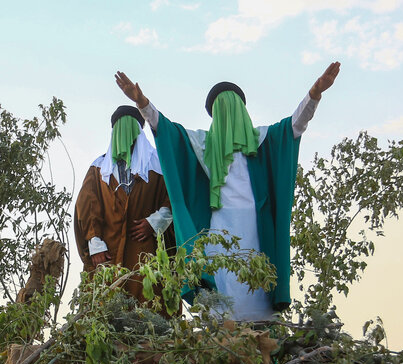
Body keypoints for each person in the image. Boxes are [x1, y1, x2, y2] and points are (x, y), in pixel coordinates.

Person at [115, 63, 340, 321]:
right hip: (219, 233)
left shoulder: (262, 139)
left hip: (256, 229)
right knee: (223, 297)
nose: (228, 113)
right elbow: (165, 129)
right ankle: (221, 344)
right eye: (220, 108)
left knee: (257, 287)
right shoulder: (202, 144)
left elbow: (295, 126)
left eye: (232, 105)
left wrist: (314, 94)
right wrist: (142, 103)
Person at [74, 105, 174, 305]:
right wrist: (95, 244)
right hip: (107, 253)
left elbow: (172, 199)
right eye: (119, 127)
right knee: (105, 310)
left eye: (129, 126)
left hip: (146, 253)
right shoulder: (99, 168)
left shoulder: (158, 163)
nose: (124, 133)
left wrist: (154, 222)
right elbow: (87, 207)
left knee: (149, 307)